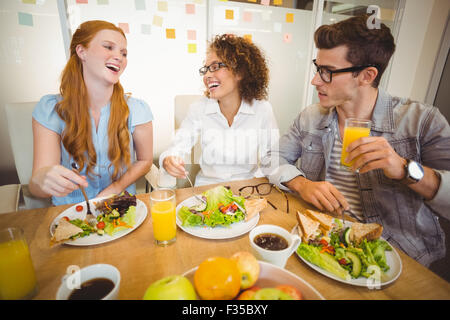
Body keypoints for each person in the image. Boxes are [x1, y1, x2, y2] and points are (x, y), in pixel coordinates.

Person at [262, 15, 450, 267]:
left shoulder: (422, 121)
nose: (315, 80)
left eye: (327, 72)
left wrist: (404, 168)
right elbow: (272, 159)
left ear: (367, 75)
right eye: (318, 68)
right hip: (323, 243)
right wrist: (302, 183)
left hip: (398, 257)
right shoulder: (311, 117)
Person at [30, 20, 154, 205]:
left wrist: (114, 188)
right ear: (82, 52)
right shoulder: (50, 109)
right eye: (108, 47)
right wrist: (42, 181)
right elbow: (36, 186)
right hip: (72, 213)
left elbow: (145, 160)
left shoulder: (137, 109)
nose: (119, 57)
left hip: (120, 207)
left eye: (124, 53)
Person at [160, 34, 279, 186]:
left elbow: (272, 159)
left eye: (215, 67)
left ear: (240, 72)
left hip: (246, 190)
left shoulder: (262, 109)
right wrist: (169, 159)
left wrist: (255, 184)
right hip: (207, 190)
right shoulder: (198, 109)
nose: (207, 76)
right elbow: (176, 147)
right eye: (206, 69)